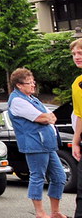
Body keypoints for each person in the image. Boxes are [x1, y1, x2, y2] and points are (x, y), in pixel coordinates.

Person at [7, 67, 65, 218]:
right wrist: (47, 117)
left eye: (33, 82)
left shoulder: (33, 99)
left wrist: (48, 117)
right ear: (19, 85)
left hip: (47, 143)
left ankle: (55, 212)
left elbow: (51, 116)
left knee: (59, 176)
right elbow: (44, 118)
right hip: (35, 144)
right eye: (29, 82)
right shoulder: (17, 100)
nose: (33, 85)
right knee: (37, 176)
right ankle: (40, 212)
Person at [69, 37, 82, 218]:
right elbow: (80, 115)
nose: (76, 57)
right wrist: (76, 141)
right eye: (73, 54)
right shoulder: (77, 83)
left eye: (80, 53)